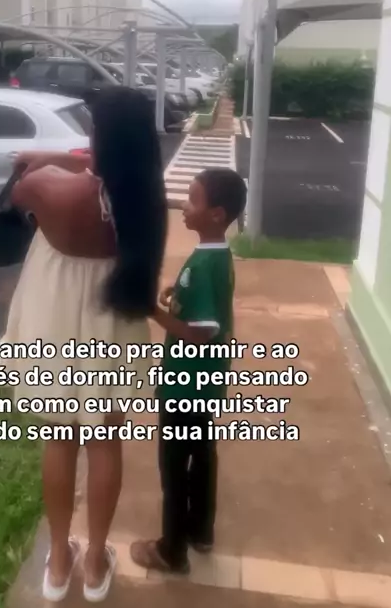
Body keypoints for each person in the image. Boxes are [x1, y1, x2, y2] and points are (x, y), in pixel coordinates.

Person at [6, 87, 168, 603]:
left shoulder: (51, 190)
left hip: (53, 318)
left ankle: (59, 560)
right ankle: (96, 560)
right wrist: (76, 158)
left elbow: (19, 189)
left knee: (59, 439)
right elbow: (103, 171)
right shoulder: (143, 198)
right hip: (112, 323)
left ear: (100, 137)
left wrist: (51, 159)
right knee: (104, 442)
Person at [130, 168, 247, 574]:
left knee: (175, 466)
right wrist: (175, 294)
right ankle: (201, 531)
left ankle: (171, 550)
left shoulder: (202, 264)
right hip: (206, 382)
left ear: (216, 214)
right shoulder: (218, 255)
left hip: (186, 384)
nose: (183, 204)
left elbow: (200, 332)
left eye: (193, 200)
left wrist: (153, 311)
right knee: (202, 454)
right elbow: (204, 305)